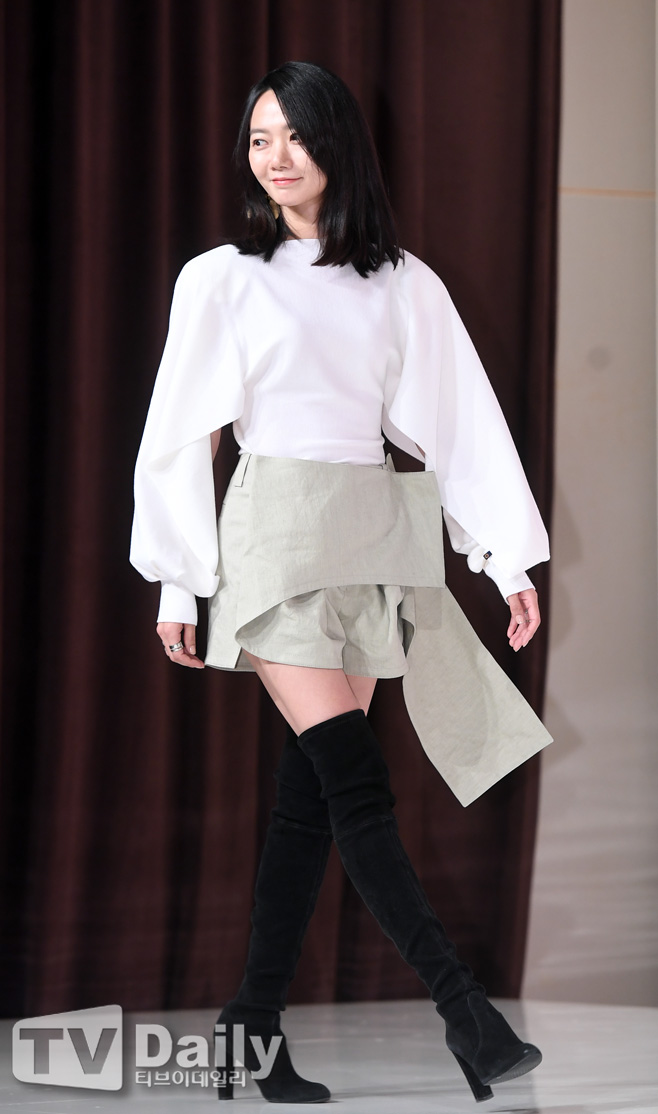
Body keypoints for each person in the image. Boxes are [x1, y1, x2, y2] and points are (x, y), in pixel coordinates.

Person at [130, 61, 551, 1105]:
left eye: (293, 135)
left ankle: (249, 1031)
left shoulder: (402, 283)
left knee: (308, 805)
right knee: (355, 785)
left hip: (371, 541)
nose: (274, 158)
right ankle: (468, 1015)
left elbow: (458, 423)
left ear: (336, 143)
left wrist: (503, 558)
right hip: (273, 540)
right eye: (258, 138)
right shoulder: (222, 279)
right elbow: (183, 433)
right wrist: (179, 581)